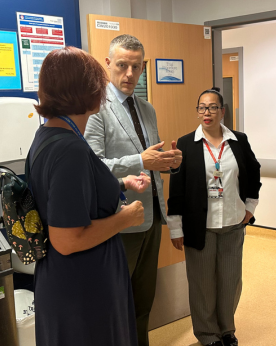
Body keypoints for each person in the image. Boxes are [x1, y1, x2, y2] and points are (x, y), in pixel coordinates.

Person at [30, 46, 150, 346]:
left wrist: (120, 184)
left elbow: (73, 196)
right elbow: (67, 239)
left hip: (65, 281)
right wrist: (125, 218)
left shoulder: (48, 136)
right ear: (89, 92)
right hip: (82, 289)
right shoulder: (70, 149)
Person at [85, 34, 182, 346]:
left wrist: (169, 162)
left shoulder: (147, 109)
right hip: (120, 220)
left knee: (143, 302)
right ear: (108, 63)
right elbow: (93, 167)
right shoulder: (96, 109)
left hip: (151, 219)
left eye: (136, 67)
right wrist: (140, 159)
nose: (129, 74)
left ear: (143, 68)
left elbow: (151, 161)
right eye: (123, 65)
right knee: (115, 304)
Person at [167, 88, 261, 346]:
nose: (206, 112)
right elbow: (177, 187)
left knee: (230, 282)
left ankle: (227, 330)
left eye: (212, 107)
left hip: (233, 223)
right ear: (197, 111)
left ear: (222, 111)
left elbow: (253, 174)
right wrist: (176, 227)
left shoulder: (239, 141)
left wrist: (250, 207)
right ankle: (208, 335)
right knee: (202, 284)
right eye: (201, 107)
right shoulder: (186, 143)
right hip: (200, 226)